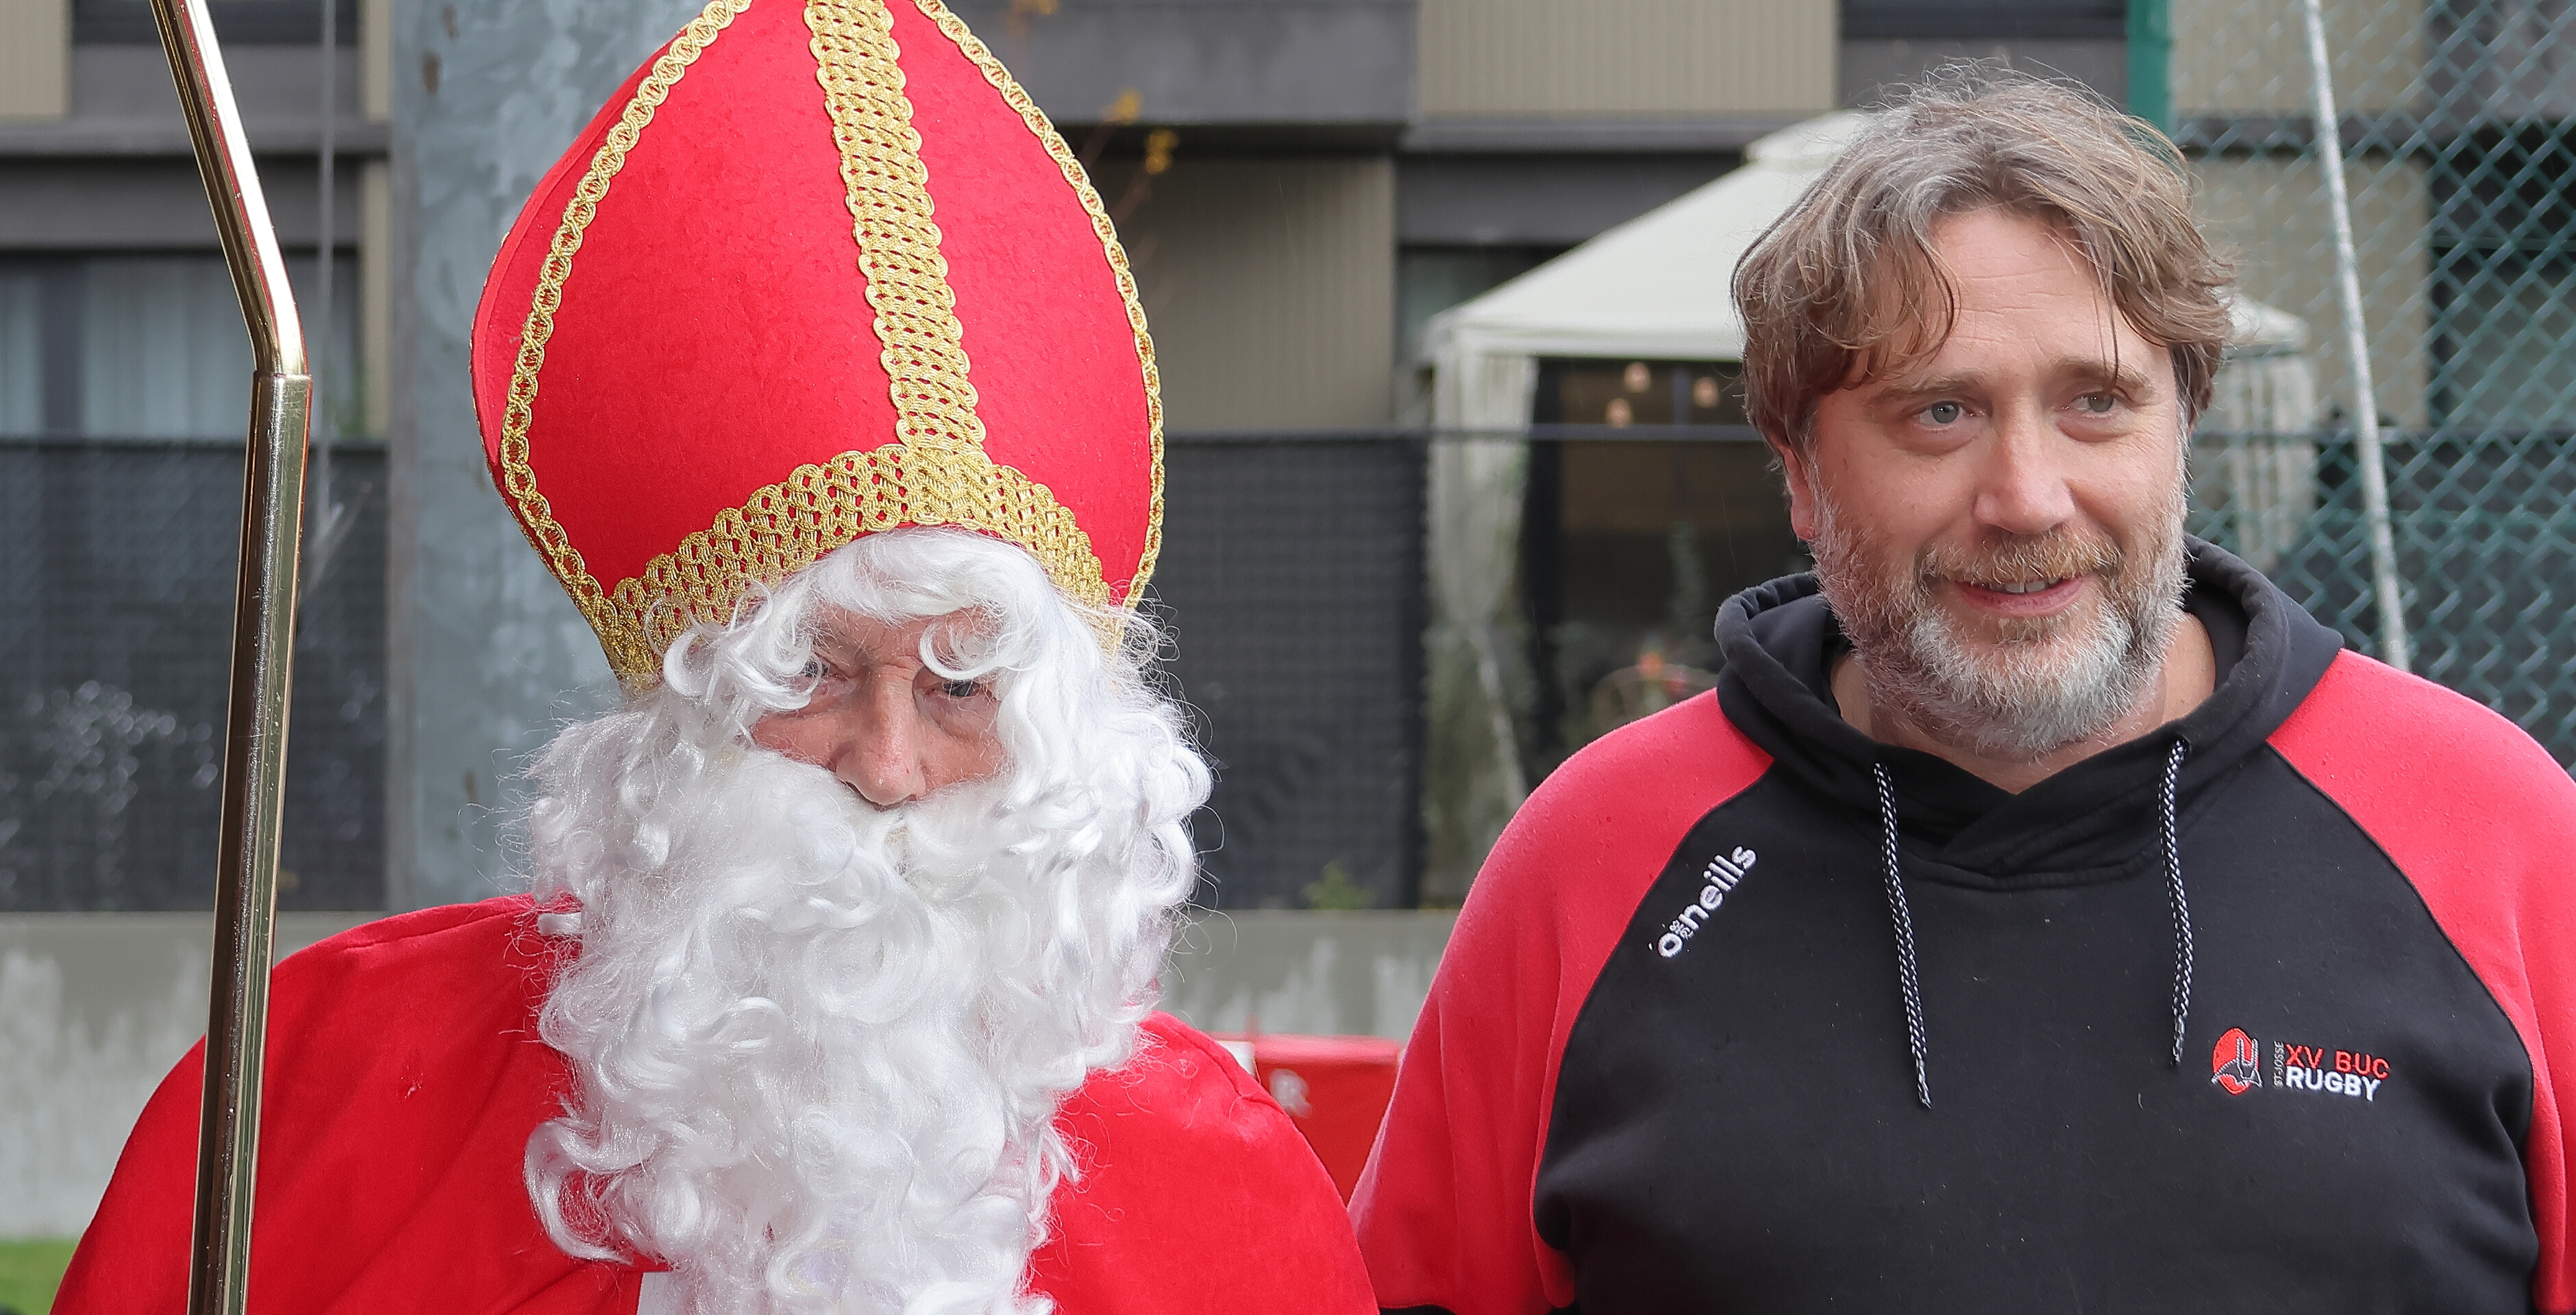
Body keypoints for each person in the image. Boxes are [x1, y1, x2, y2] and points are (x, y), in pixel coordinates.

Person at [55, 1, 1374, 1312]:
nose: (889, 767)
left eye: (960, 686)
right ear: (680, 717)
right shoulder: (317, 1099)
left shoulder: (1226, 1201)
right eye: (810, 672)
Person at [1351, 71, 2576, 1314]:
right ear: (1802, 474)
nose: (2026, 498)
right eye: (1940, 413)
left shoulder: (2494, 837)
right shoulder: (1593, 860)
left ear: (2183, 429)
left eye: (2096, 402)